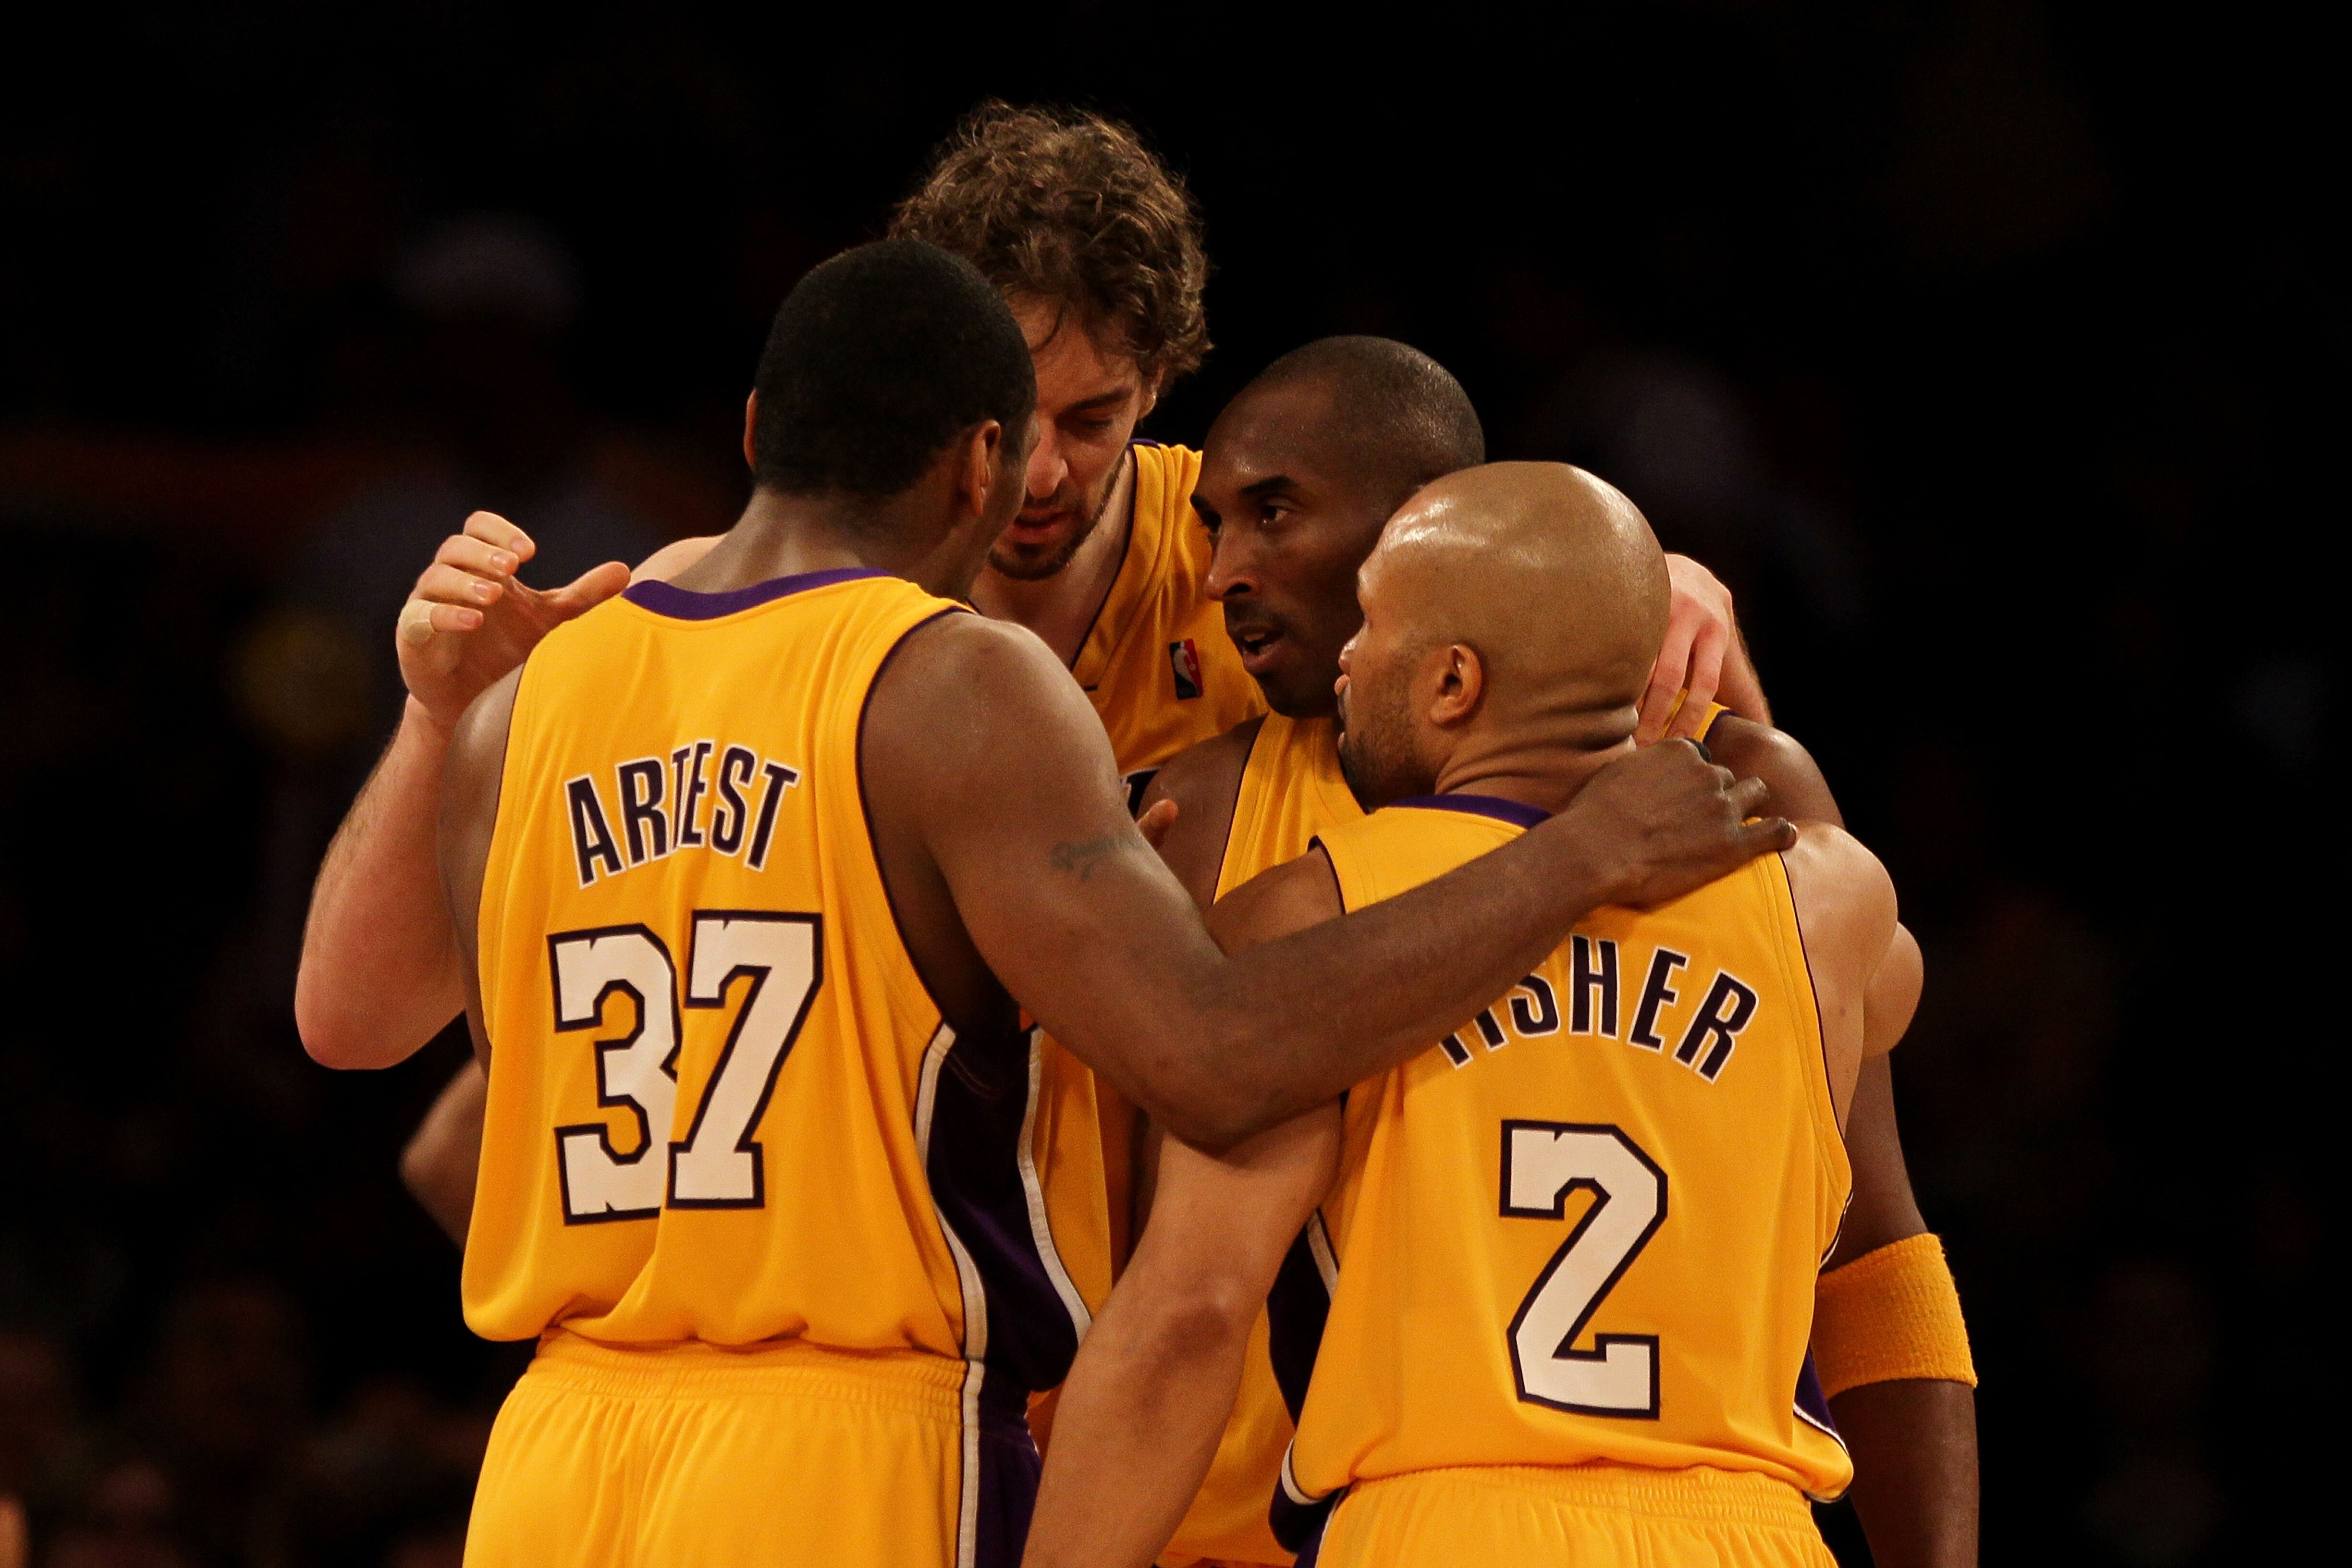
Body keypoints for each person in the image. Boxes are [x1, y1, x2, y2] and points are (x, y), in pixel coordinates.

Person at [438, 241, 1783, 1567]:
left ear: (755, 431)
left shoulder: (515, 714)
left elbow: (490, 1124)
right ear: (983, 461)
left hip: (556, 1453)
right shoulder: (954, 681)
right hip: (839, 1439)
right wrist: (1572, 860)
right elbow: (1214, 1058)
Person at [303, 105, 1759, 1263]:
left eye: (1097, 416)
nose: (1044, 470)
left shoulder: (1273, 563)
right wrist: (443, 721)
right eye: (1012, 413)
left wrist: (1643, 583)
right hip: (901, 1351)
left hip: (1201, 1370)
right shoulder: (727, 608)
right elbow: (369, 1039)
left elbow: (1649, 754)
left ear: (1164, 386)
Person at [1136, 340, 1976, 1567]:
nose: (1224, 572)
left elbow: (1873, 1245)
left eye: (1276, 513)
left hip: (1435, 1518)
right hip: (1251, 1524)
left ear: (1423, 528)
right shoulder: (1208, 809)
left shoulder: (1737, 781)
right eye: (1215, 522)